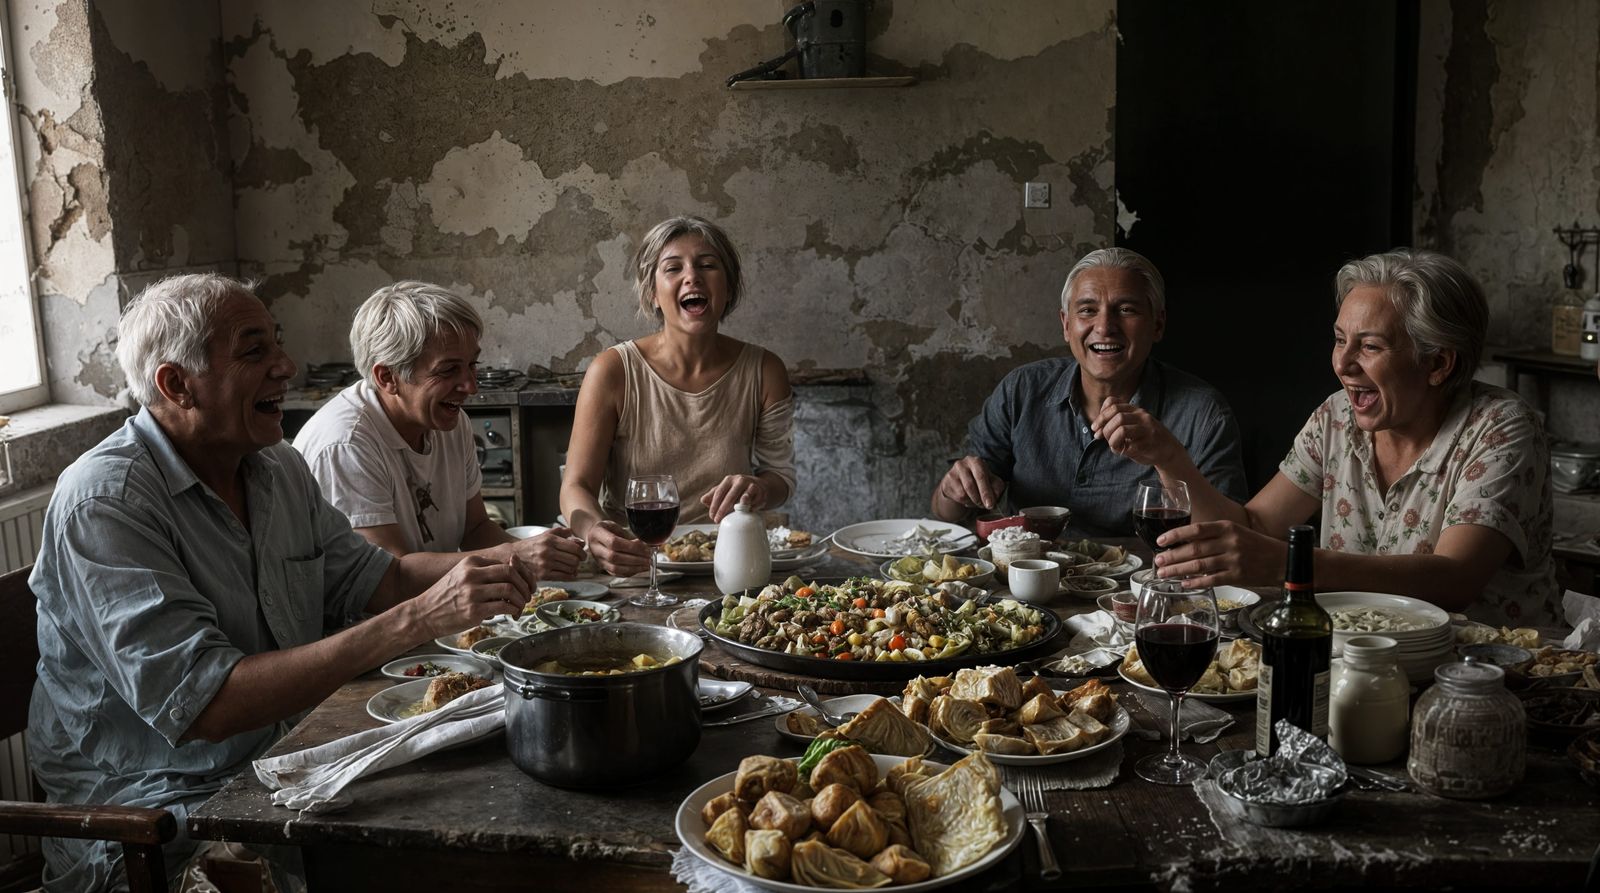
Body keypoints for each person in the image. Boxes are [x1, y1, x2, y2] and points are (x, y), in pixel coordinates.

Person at [28, 274, 534, 892]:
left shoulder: (276, 466)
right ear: (176, 385)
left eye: (278, 342)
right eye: (254, 351)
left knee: (500, 780)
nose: (286, 366)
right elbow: (208, 704)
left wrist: (506, 565)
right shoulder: (106, 503)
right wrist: (421, 617)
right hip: (164, 814)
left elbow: (379, 577)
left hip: (286, 758)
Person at [1127, 249, 1557, 625]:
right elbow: (1255, 527)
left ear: (1438, 363)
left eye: (1370, 346)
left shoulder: (1500, 427)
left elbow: (1455, 580)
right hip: (1358, 658)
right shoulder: (1336, 417)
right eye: (1339, 340)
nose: (1342, 364)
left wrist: (1291, 563)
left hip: (1494, 670)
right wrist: (1170, 458)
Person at [931, 247, 1247, 536]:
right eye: (1087, 310)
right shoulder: (1021, 391)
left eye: (1126, 309)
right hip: (1025, 577)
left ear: (1158, 324)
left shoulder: (1204, 413)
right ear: (1066, 325)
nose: (1105, 327)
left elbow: (1230, 536)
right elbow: (947, 513)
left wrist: (1169, 458)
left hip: (1148, 578)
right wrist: (951, 490)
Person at [294, 281, 583, 576]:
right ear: (387, 377)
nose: (471, 386)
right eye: (448, 370)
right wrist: (513, 555)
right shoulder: (346, 445)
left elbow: (475, 529)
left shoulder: (450, 424)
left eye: (472, 364)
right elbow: (389, 576)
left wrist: (542, 554)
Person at [561, 216, 796, 576]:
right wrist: (594, 532)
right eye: (673, 268)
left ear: (729, 287)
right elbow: (576, 486)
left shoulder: (765, 370)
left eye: (707, 265)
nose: (692, 277)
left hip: (730, 562)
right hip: (637, 566)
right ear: (652, 293)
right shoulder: (612, 371)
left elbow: (781, 477)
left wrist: (760, 487)